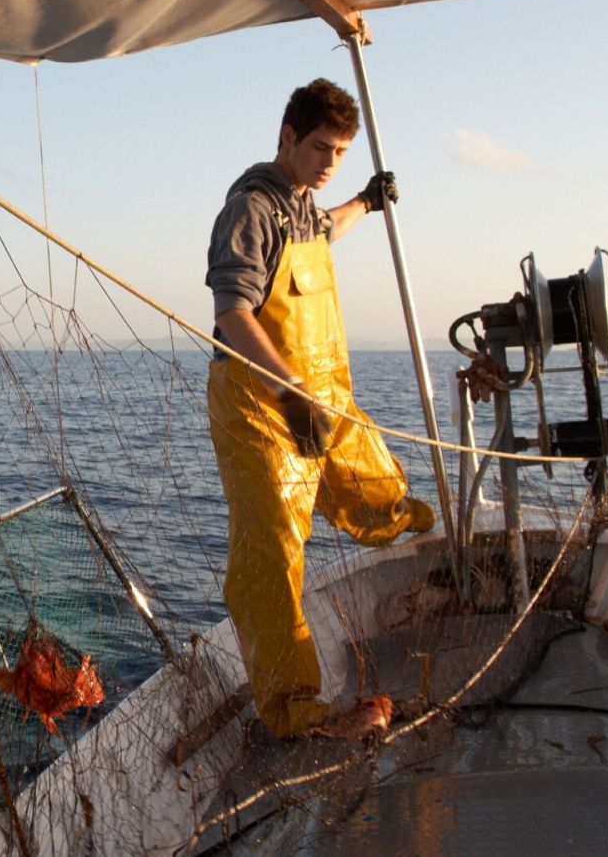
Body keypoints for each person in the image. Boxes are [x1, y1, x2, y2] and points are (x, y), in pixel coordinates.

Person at [203, 78, 434, 740]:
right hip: (261, 403)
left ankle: (422, 533)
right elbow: (233, 314)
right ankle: (292, 708)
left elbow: (327, 229)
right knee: (271, 555)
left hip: (324, 397)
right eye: (321, 148)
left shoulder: (305, 205)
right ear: (286, 139)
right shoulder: (252, 208)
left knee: (377, 487)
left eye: (341, 152)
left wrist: (368, 201)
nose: (331, 162)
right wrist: (290, 390)